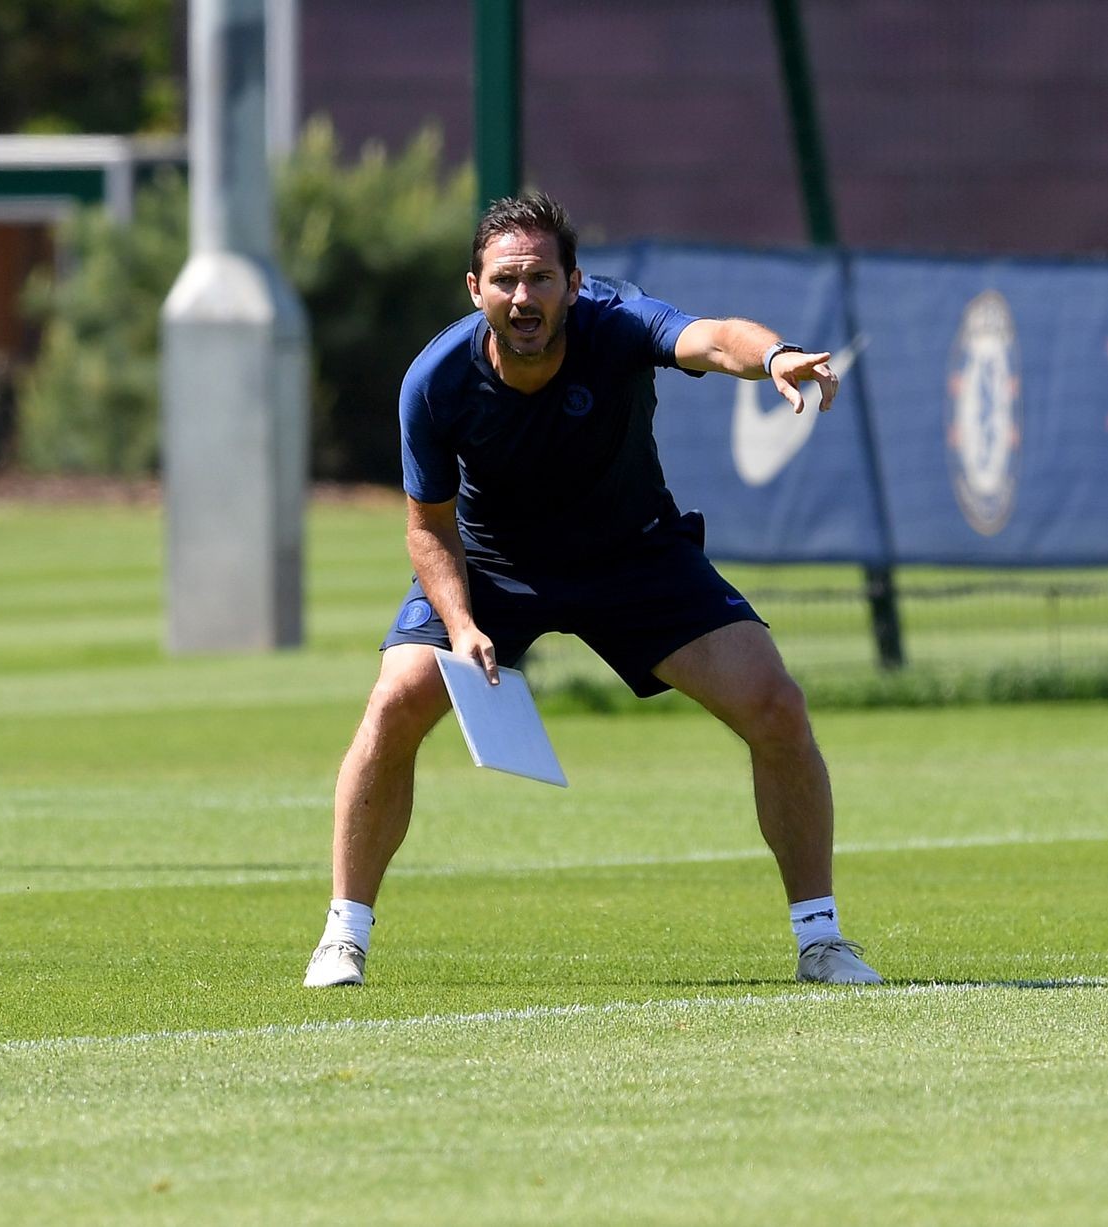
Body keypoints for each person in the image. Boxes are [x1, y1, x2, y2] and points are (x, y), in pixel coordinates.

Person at [303, 191, 882, 988]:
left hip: (632, 554)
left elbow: (713, 340)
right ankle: (343, 936)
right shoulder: (434, 381)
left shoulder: (618, 323)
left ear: (574, 284)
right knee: (394, 699)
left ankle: (821, 939)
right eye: (504, 280)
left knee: (775, 704)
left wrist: (776, 356)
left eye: (540, 278)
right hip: (493, 563)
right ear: (474, 290)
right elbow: (427, 528)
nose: (522, 297)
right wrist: (462, 623)